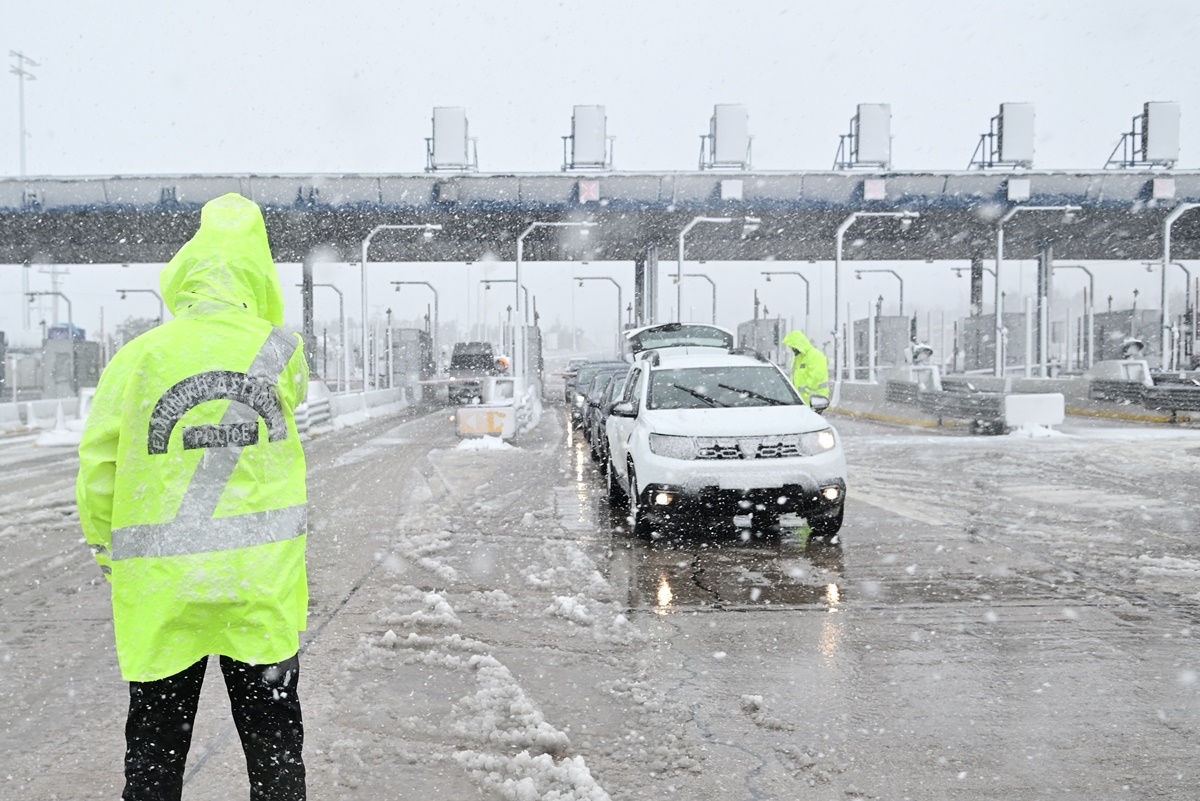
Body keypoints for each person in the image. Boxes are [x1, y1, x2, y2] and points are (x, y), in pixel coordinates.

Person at [77, 193, 310, 801]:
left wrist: (109, 550)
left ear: (184, 272)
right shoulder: (281, 351)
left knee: (155, 750)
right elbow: (295, 396)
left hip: (162, 592)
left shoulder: (136, 359)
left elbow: (98, 467)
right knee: (274, 749)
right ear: (259, 273)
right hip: (259, 588)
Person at [782, 330, 830, 406]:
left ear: (799, 345)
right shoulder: (797, 358)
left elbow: (817, 377)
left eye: (794, 347)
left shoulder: (815, 355)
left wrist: (806, 393)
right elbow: (794, 377)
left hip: (816, 399)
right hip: (801, 401)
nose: (793, 349)